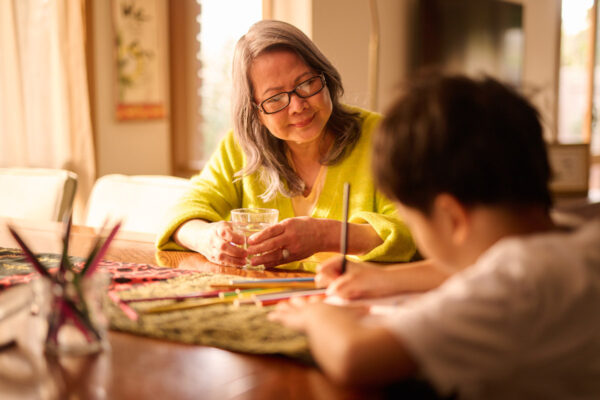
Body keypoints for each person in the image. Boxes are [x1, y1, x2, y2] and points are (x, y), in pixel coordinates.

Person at [269, 73, 600, 399]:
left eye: (412, 220)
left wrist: (318, 316)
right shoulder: (573, 238)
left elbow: (354, 357)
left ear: (451, 217)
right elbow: (479, 265)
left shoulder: (509, 290)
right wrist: (385, 279)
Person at [155, 20, 416, 271]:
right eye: (275, 98)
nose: (298, 105)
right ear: (255, 112)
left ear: (325, 77)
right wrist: (205, 238)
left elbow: (416, 230)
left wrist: (324, 235)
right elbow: (182, 211)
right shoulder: (240, 148)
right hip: (262, 301)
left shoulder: (383, 137)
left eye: (306, 83)